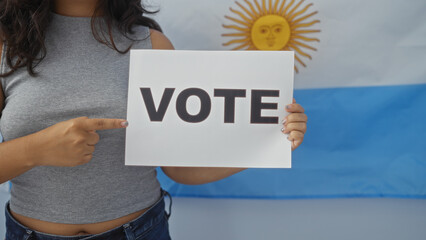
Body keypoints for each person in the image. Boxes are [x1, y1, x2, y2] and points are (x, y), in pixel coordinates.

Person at [0, 0, 308, 239]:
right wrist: (35, 149)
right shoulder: (5, 45)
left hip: (140, 232)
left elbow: (180, 168)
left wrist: (270, 140)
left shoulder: (153, 44)